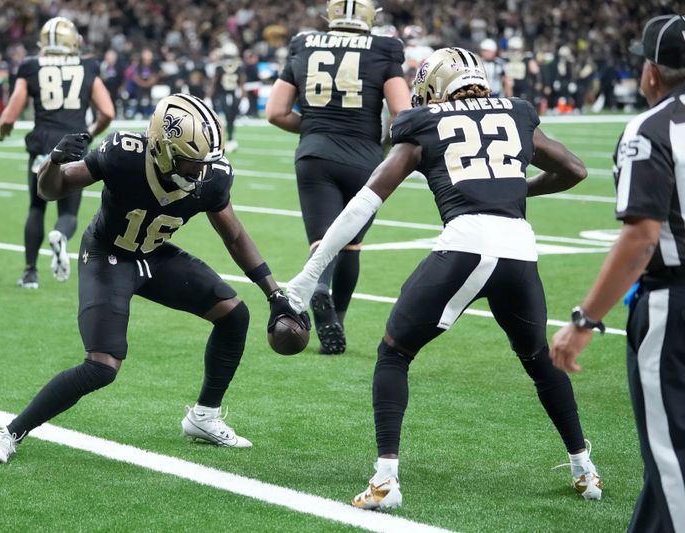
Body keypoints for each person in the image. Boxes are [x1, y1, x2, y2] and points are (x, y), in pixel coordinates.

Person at [287, 47, 601, 510]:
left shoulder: (423, 123)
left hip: (466, 242)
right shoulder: (517, 113)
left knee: (394, 351)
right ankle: (584, 470)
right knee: (539, 360)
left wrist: (309, 273)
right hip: (519, 247)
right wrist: (514, 189)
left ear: (436, 83)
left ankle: (385, 480)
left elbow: (365, 202)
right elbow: (575, 169)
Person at [0, 93, 309, 463]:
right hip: (108, 255)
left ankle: (204, 417)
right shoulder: (123, 152)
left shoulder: (212, 176)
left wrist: (274, 293)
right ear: (164, 150)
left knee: (234, 314)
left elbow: (233, 235)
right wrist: (54, 161)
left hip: (153, 254)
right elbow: (50, 189)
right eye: (191, 161)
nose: (201, 171)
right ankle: (10, 433)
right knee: (102, 365)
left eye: (204, 162)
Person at [551, 15, 685, 532]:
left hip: (674, 307)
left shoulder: (650, 129)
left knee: (671, 457)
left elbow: (641, 238)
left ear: (652, 71)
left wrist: (584, 321)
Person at [266, 0, 410, 354]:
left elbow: (275, 112)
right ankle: (338, 321)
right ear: (368, 18)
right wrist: (379, 139)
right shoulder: (384, 48)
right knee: (350, 245)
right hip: (363, 157)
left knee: (322, 242)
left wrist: (317, 127)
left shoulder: (304, 43)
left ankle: (318, 288)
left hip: (314, 153)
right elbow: (403, 114)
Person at [0, 17, 115, 289]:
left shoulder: (30, 65)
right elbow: (107, 112)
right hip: (74, 143)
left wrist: (2, 132)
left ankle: (29, 273)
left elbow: (9, 116)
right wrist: (89, 134)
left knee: (36, 207)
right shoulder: (87, 65)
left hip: (43, 144)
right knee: (69, 213)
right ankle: (60, 235)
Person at [211, 42, 244, 153]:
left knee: (232, 117)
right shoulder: (219, 67)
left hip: (234, 94)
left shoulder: (238, 67)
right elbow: (214, 83)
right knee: (223, 117)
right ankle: (220, 140)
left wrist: (244, 96)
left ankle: (230, 138)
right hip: (222, 94)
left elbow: (241, 82)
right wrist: (210, 97)